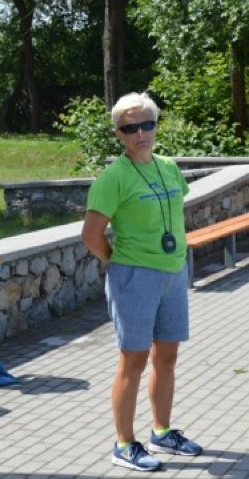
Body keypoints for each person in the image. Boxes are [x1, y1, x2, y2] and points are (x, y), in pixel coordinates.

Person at [81, 92, 203, 472]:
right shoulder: (113, 177)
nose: (140, 133)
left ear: (155, 125)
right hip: (133, 276)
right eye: (129, 128)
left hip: (172, 271)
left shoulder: (168, 167)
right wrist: (118, 262)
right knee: (132, 361)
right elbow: (91, 233)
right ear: (118, 134)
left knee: (166, 357)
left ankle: (162, 431)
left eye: (146, 124)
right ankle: (124, 443)